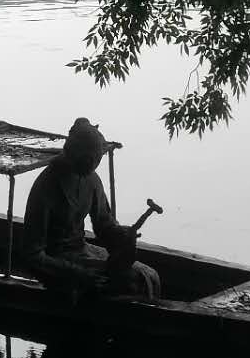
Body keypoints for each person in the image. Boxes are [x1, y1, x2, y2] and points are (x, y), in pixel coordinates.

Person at [22, 118, 161, 300]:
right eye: (88, 159)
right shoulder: (47, 185)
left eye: (96, 159)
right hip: (56, 260)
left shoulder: (92, 180)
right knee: (131, 281)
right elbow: (33, 255)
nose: (92, 164)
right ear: (73, 153)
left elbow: (104, 225)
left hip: (80, 249)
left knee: (149, 275)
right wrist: (77, 273)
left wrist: (123, 234)